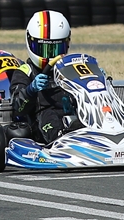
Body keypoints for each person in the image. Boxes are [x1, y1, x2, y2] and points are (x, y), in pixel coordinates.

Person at [7, 10, 78, 144]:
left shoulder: (69, 68)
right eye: (44, 49)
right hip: (40, 122)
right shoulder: (24, 71)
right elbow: (17, 109)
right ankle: (62, 140)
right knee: (49, 116)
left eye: (55, 49)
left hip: (71, 114)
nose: (50, 56)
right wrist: (30, 90)